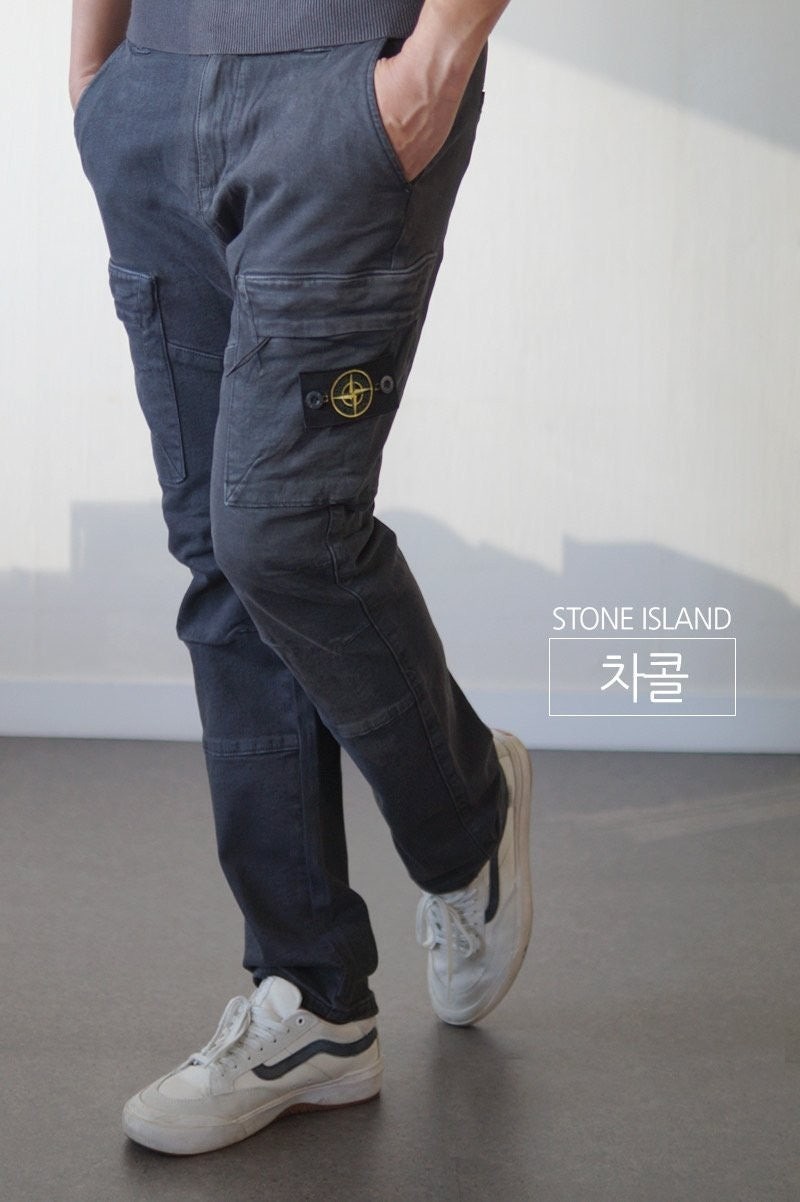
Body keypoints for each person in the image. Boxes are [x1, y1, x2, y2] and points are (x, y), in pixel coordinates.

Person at [70, 0, 533, 1156]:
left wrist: (434, 63)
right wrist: (95, 75)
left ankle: (466, 816)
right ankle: (311, 998)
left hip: (343, 82)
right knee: (217, 556)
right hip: (152, 88)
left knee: (282, 531)